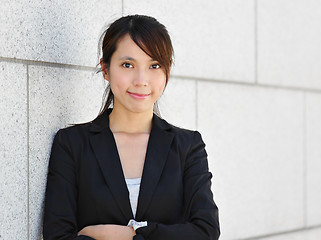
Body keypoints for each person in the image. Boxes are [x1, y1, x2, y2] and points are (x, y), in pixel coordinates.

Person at [43, 14, 220, 240]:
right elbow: (57, 235)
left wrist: (125, 234)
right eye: (128, 65)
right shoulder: (72, 144)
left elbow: (206, 232)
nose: (141, 80)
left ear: (167, 71)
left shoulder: (187, 147)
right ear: (105, 69)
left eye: (154, 65)